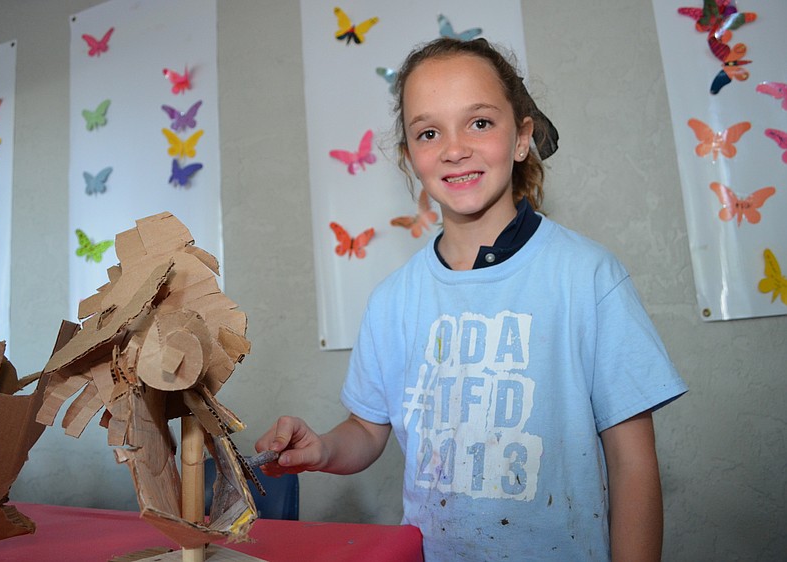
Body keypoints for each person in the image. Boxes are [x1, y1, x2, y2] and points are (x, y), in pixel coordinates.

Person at [256, 37, 687, 561]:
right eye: (429, 132)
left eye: (479, 122)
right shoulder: (392, 301)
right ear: (411, 158)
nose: (454, 148)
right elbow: (368, 430)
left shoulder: (587, 276)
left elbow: (633, 464)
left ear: (521, 137)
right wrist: (323, 448)